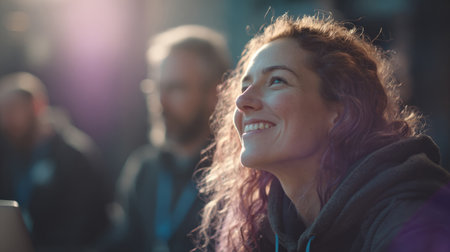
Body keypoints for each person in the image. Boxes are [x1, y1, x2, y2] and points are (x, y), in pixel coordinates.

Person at [195, 14, 450, 252]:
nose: (242, 101)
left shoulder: (411, 218)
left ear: (340, 110)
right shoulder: (263, 227)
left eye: (277, 80)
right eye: (245, 86)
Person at [102, 25, 231, 252]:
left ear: (216, 94)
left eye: (175, 88)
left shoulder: (236, 176)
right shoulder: (143, 169)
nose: (159, 102)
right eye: (155, 89)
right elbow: (121, 243)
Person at [0, 72, 112, 251]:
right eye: (2, 112)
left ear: (37, 106)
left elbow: (84, 231)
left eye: (12, 109)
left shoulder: (75, 156)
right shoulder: (11, 155)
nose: (5, 120)